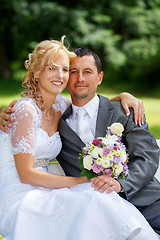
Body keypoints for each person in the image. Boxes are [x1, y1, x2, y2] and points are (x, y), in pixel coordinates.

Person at [0, 37, 159, 240]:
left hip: (144, 198)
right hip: (25, 191)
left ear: (99, 77)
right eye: (54, 69)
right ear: (36, 72)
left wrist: (124, 95)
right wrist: (81, 181)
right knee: (94, 199)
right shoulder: (27, 110)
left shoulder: (59, 106)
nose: (62, 76)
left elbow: (93, 103)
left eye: (65, 70)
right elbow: (26, 173)